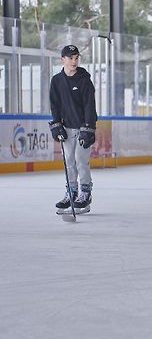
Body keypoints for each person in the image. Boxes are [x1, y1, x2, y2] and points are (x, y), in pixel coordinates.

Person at [49, 44, 97, 214]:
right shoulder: (56, 81)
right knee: (69, 161)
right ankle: (71, 193)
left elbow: (89, 106)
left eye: (77, 57)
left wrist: (88, 127)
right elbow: (55, 105)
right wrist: (56, 125)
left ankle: (85, 194)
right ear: (62, 59)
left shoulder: (84, 80)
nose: (74, 61)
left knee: (80, 160)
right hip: (67, 128)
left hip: (83, 127)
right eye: (70, 58)